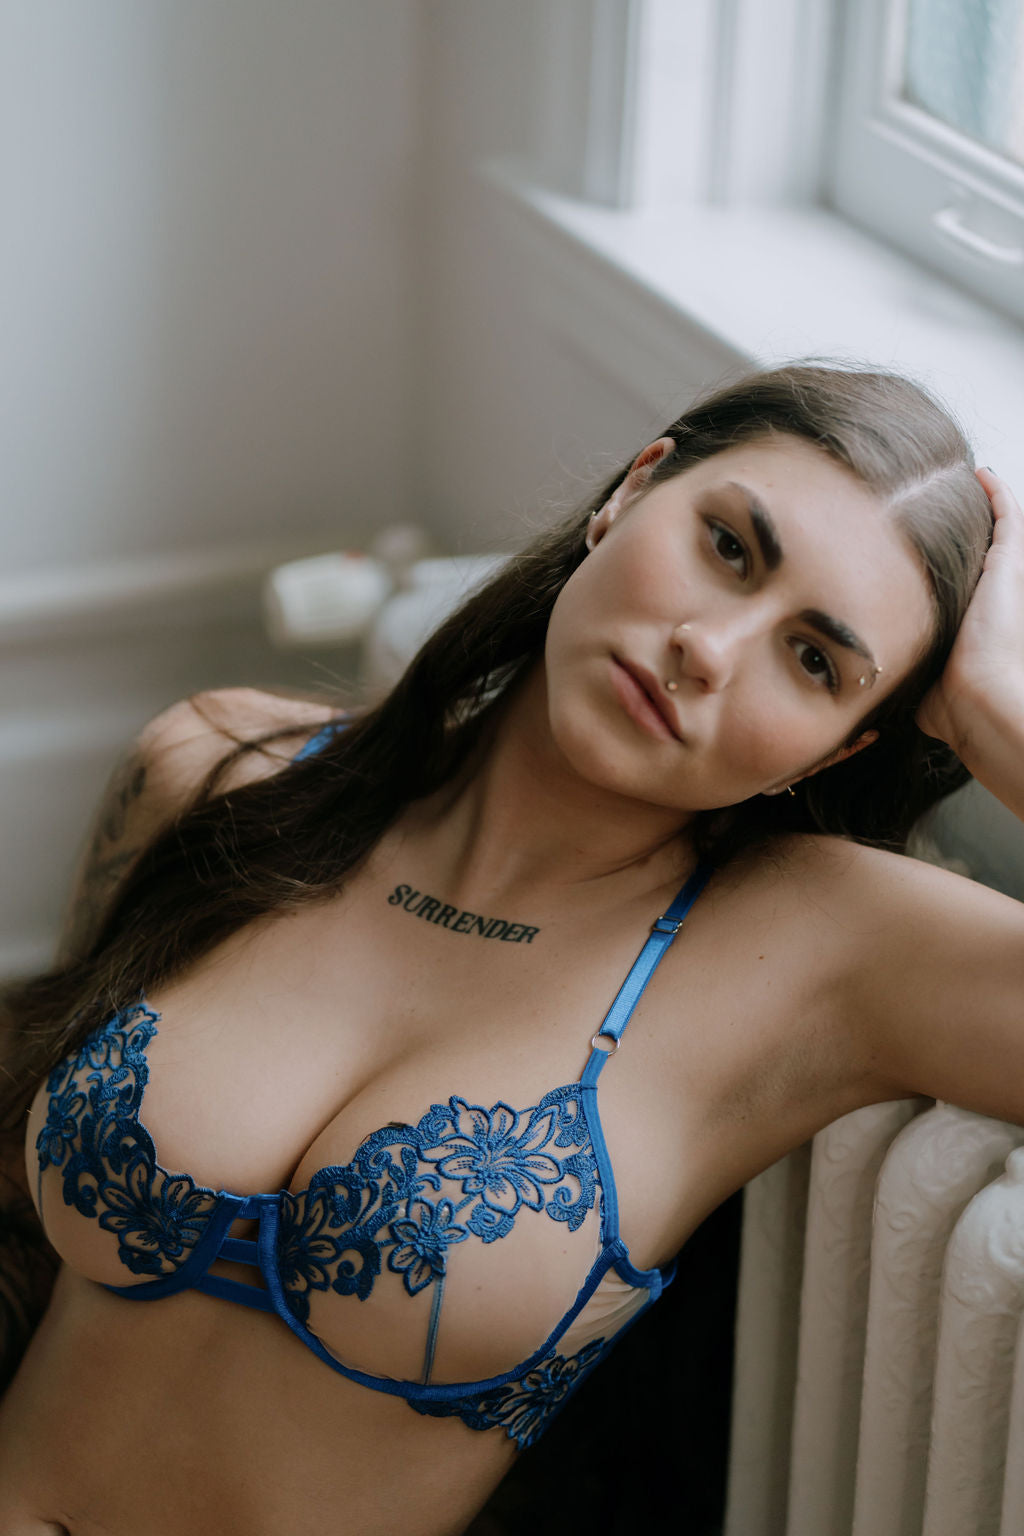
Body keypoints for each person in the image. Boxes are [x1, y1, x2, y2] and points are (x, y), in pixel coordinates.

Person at [0, 358, 1019, 1536]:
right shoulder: (219, 770)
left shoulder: (815, 956)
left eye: (813, 660)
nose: (708, 645)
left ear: (835, 752)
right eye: (729, 547)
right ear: (634, 491)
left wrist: (991, 702)